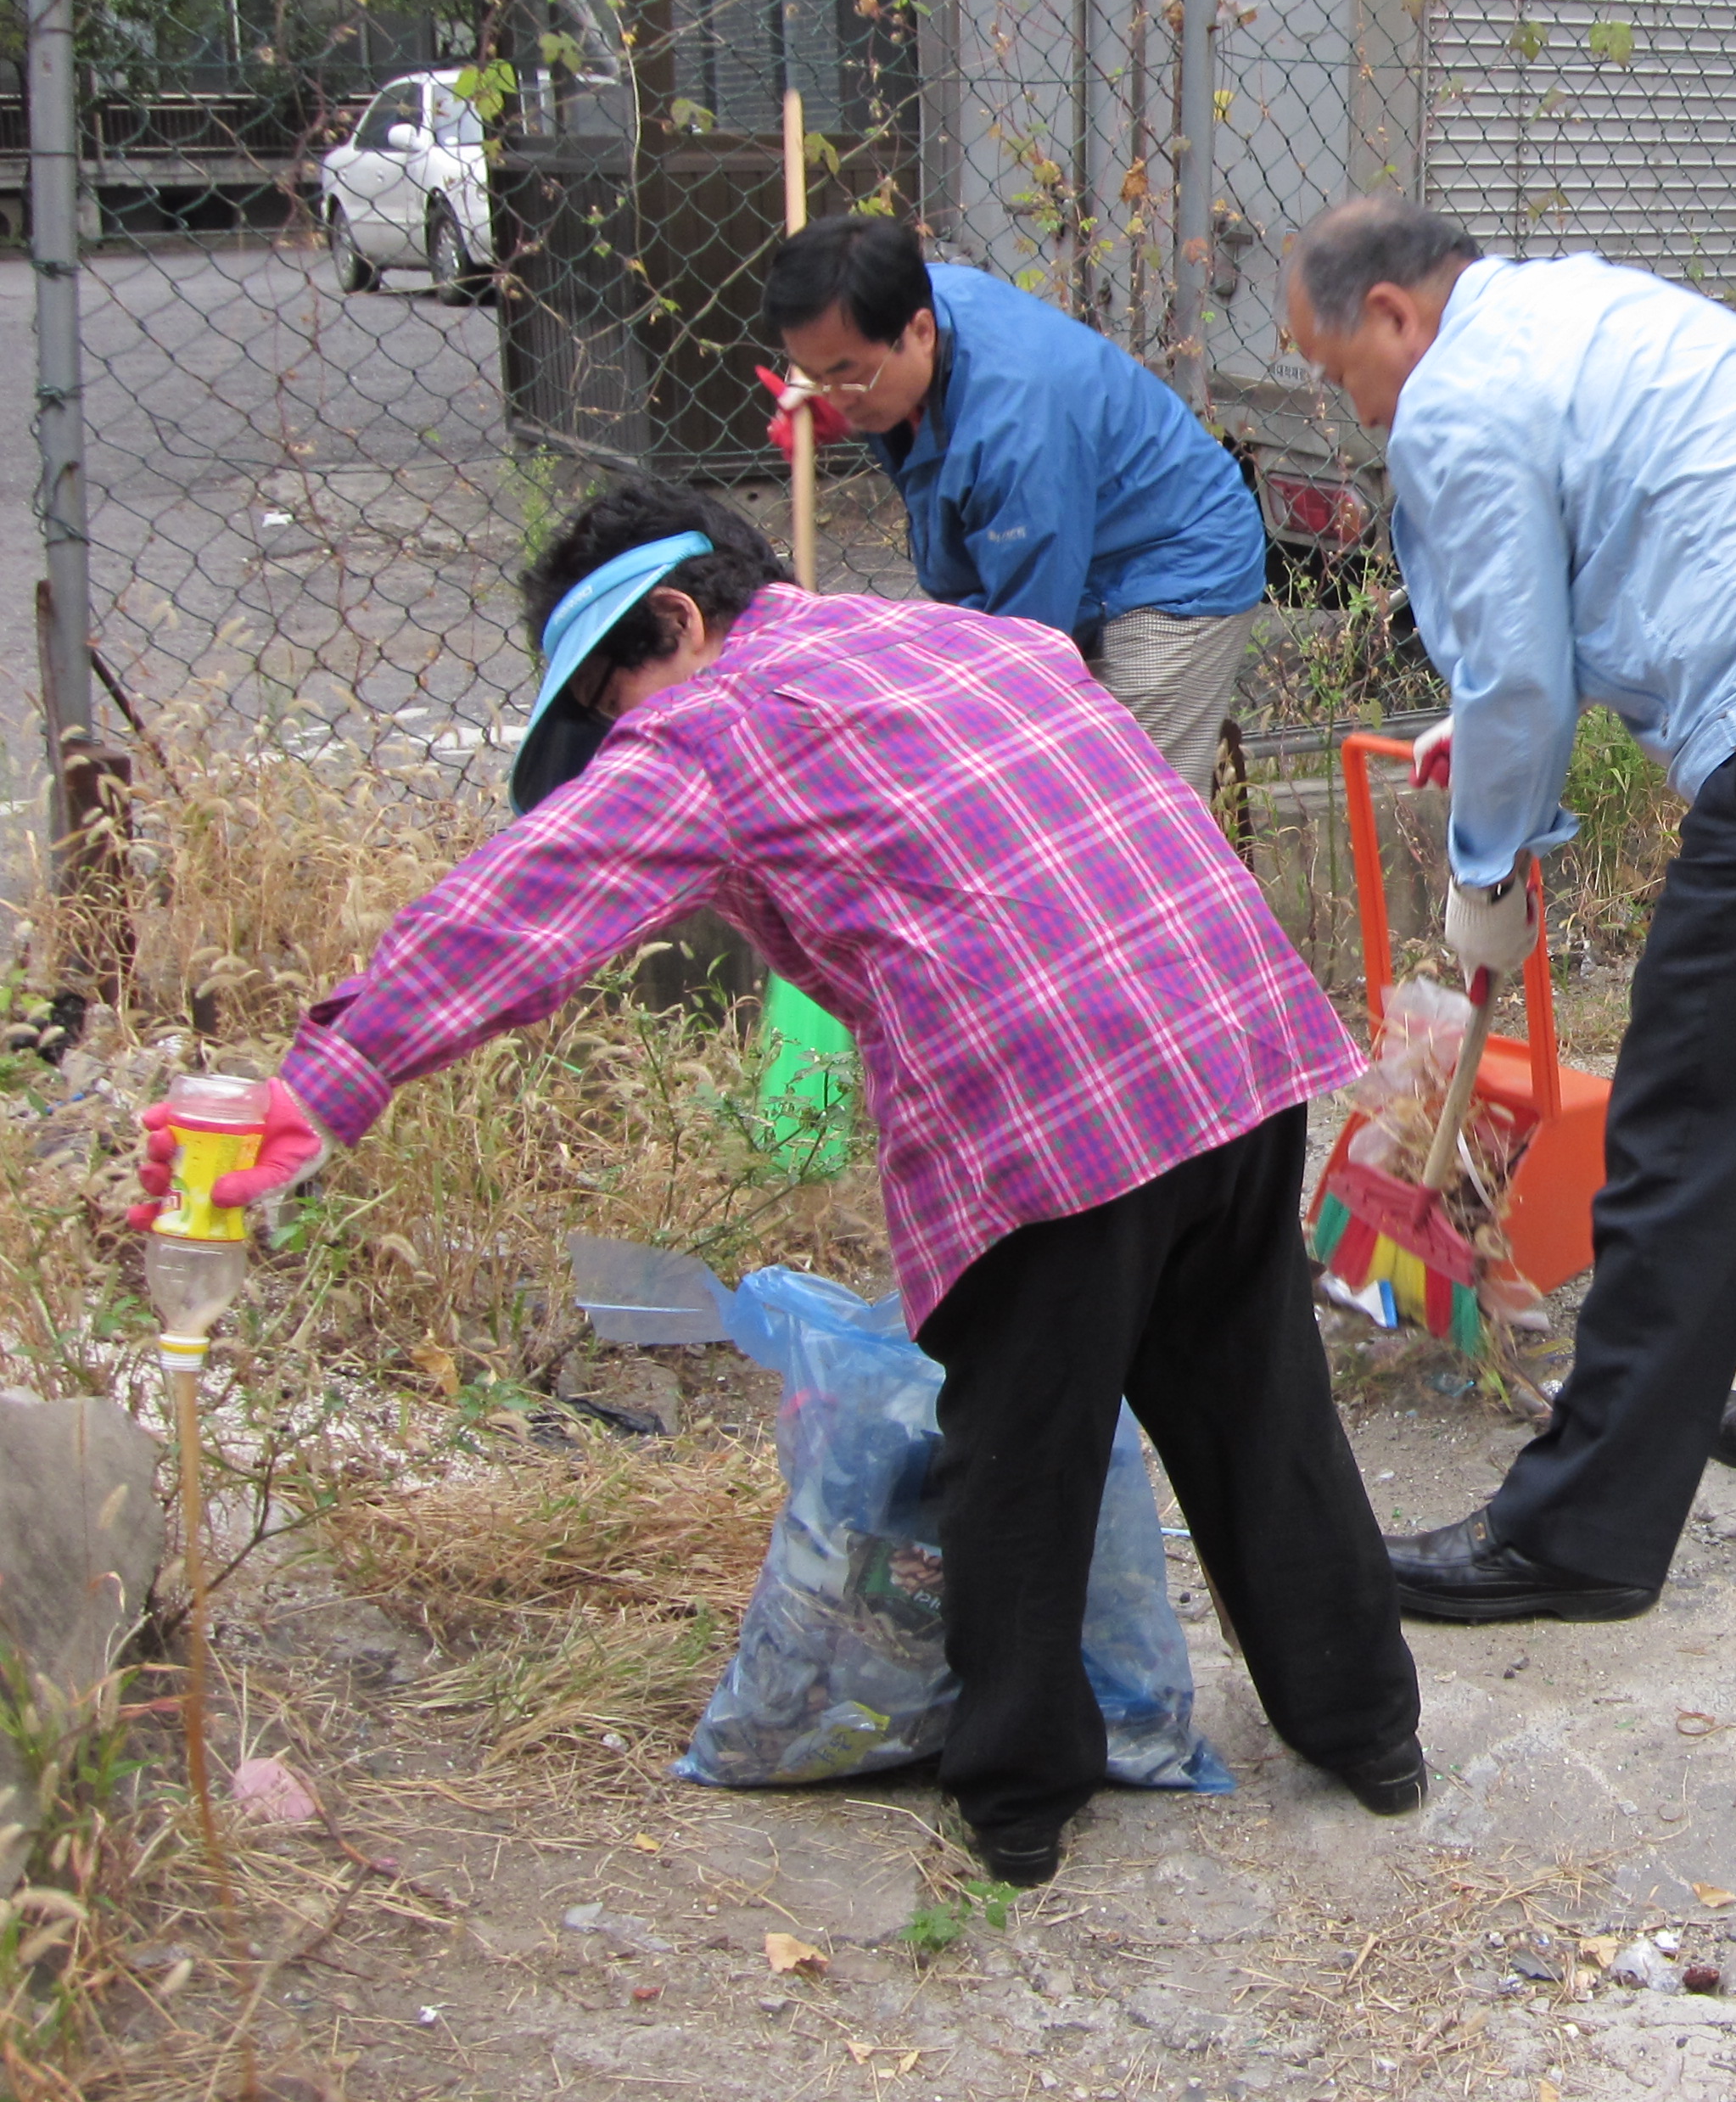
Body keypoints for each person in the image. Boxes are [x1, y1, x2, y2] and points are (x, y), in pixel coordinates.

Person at [133, 479, 1420, 1884]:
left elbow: (515, 912)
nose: (621, 742)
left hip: (1058, 1103)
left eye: (614, 704)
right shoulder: (958, 636)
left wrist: (313, 1092)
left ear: (680, 621)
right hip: (1235, 1038)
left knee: (1020, 1457)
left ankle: (1019, 1800)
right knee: (1256, 1400)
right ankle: (1370, 1732)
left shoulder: (714, 720)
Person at [1282, 195, 1736, 1624]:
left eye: (1327, 363)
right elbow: (1594, 586)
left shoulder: (1453, 400)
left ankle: (1580, 1534)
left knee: (1681, 1134)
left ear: (1393, 317)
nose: (1337, 401)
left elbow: (1522, 677)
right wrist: (1481, 744)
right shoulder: (1584, 310)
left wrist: (1488, 874)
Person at [762, 216, 1267, 796]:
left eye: (845, 376)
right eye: (813, 375)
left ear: (921, 331)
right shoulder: (900, 304)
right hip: (1078, 533)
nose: (832, 396)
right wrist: (836, 399)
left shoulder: (1014, 432)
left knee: (1129, 806)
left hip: (1173, 561)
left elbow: (1025, 649)